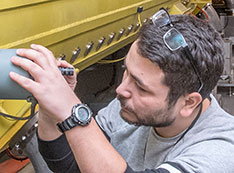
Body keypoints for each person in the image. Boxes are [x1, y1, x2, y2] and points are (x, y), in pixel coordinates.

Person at [9, 8, 234, 173]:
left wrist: (72, 111)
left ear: (189, 102)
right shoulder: (129, 106)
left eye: (141, 87)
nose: (121, 90)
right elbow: (70, 165)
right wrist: (51, 109)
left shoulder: (221, 151)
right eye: (126, 71)